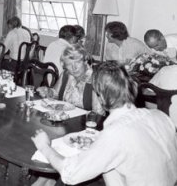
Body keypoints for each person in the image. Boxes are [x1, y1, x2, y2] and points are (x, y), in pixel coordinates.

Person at [32, 61, 177, 186]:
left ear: (100, 97)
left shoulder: (115, 134)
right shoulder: (161, 116)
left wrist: (44, 146)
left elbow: (71, 174)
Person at [38, 44, 104, 115]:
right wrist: (48, 91)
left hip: (83, 122)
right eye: (69, 64)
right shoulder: (66, 74)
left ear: (85, 61)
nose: (74, 68)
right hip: (64, 119)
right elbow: (55, 94)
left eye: (78, 62)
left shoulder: (95, 79)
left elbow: (98, 113)